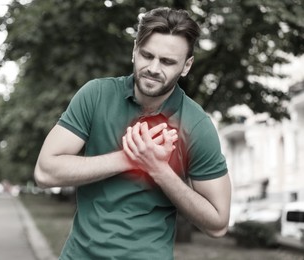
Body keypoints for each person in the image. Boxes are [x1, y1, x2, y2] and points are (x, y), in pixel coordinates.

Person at [34, 7, 231, 260]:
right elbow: (44, 172)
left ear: (186, 66)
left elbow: (218, 224)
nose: (153, 68)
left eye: (168, 61)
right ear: (134, 51)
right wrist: (130, 158)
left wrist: (159, 170)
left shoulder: (197, 125)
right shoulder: (96, 95)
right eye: (147, 55)